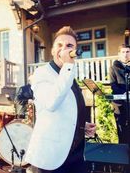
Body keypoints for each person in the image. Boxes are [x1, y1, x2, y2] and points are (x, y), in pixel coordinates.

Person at [25, 26, 96, 173]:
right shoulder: (42, 73)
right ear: (52, 50)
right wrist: (68, 66)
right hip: (51, 157)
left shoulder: (69, 75)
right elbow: (52, 103)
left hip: (75, 154)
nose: (64, 49)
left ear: (75, 51)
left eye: (69, 46)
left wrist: (81, 126)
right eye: (59, 45)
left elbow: (66, 110)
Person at [109, 44, 130, 144]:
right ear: (119, 54)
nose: (125, 55)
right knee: (121, 128)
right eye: (123, 52)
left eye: (127, 52)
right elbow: (114, 86)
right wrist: (125, 93)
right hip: (119, 103)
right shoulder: (114, 67)